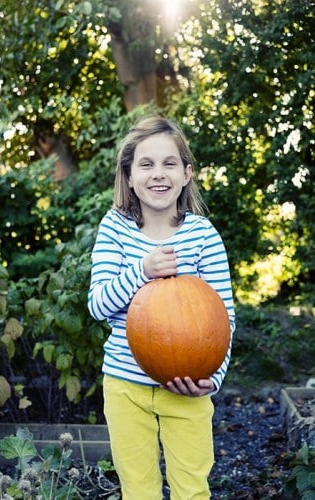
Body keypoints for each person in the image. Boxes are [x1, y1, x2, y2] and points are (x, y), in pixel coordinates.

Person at [88, 115, 235, 499]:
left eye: (169, 163)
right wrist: (142, 270)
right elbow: (98, 304)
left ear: (186, 174)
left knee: (192, 489)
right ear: (130, 175)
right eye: (146, 164)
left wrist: (212, 379)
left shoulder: (203, 236)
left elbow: (224, 319)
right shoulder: (114, 228)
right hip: (124, 388)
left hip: (187, 389)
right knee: (138, 490)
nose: (158, 174)